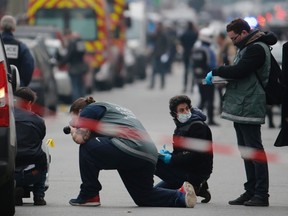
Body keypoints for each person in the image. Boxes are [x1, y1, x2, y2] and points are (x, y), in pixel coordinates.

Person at [67, 96, 197, 208]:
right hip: (147, 153)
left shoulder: (90, 109)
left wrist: (74, 130)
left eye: (74, 120)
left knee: (87, 148)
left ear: (80, 111)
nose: (74, 124)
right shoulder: (112, 110)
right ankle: (180, 196)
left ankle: (89, 195)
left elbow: (80, 138)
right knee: (144, 196)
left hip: (130, 147)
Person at [205, 18, 277, 206]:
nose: (233, 41)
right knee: (246, 151)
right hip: (242, 104)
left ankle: (261, 194)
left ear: (244, 33)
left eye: (234, 38)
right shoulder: (246, 47)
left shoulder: (256, 48)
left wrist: (217, 70)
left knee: (254, 150)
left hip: (251, 104)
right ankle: (250, 191)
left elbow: (240, 71)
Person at [155, 95, 213, 203]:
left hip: (196, 172)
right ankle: (198, 189)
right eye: (181, 110)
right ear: (174, 114)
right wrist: (169, 155)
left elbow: (195, 155)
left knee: (156, 163)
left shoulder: (198, 126)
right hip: (184, 169)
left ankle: (195, 184)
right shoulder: (180, 126)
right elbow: (180, 153)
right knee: (157, 191)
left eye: (187, 108)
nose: (186, 112)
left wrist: (171, 159)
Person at [14, 87, 47, 206]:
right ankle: (39, 196)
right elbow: (41, 137)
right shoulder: (38, 120)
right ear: (28, 103)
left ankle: (15, 189)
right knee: (43, 157)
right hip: (33, 173)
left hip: (8, 174)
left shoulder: (5, 119)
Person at [191, 27, 218, 126]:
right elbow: (213, 66)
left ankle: (195, 119)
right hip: (208, 78)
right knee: (210, 99)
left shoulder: (195, 49)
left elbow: (192, 65)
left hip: (198, 78)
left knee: (202, 99)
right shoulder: (209, 51)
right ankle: (210, 120)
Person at [0, 15, 34, 87]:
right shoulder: (22, 47)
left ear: (1, 27)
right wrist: (21, 84)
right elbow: (29, 66)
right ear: (14, 29)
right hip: (15, 89)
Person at [61, 29, 88, 101]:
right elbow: (83, 53)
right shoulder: (80, 43)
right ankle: (83, 102)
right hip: (81, 68)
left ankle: (77, 103)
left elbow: (68, 55)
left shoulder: (72, 44)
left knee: (75, 86)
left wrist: (61, 62)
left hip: (74, 68)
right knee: (81, 86)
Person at [215, 32, 236, 113]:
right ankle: (222, 107)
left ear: (221, 38)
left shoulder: (229, 46)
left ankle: (225, 108)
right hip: (223, 73)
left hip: (227, 74)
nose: (216, 40)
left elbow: (232, 60)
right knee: (220, 90)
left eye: (218, 38)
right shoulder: (222, 46)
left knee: (226, 91)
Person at [149, 22, 170, 89]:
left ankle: (162, 84)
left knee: (162, 70)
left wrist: (165, 53)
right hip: (155, 54)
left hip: (161, 55)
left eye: (158, 26)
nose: (157, 28)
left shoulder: (164, 35)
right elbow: (151, 40)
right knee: (153, 70)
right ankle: (152, 84)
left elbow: (167, 45)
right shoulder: (155, 34)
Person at [179, 21, 198, 93]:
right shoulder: (194, 34)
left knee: (186, 70)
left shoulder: (184, 34)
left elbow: (181, 42)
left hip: (185, 53)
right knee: (193, 71)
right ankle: (192, 87)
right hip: (193, 53)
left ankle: (185, 86)